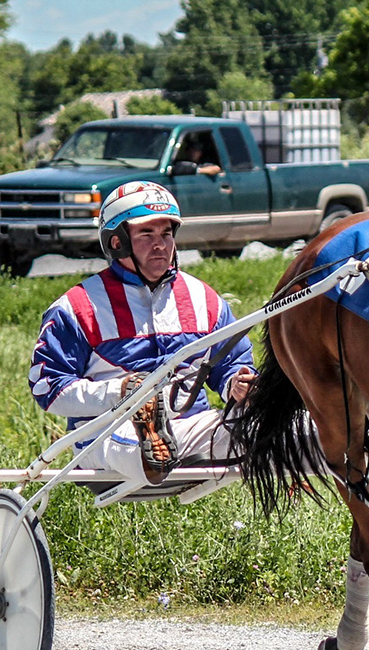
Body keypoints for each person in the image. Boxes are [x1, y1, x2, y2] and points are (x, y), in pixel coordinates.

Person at [28, 180, 255, 484]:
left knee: (281, 428)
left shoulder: (205, 299)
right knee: (134, 444)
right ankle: (152, 447)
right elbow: (48, 388)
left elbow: (231, 365)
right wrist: (120, 392)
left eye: (166, 233)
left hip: (194, 428)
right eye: (146, 234)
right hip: (107, 435)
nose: (160, 244)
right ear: (117, 241)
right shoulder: (77, 307)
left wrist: (237, 385)